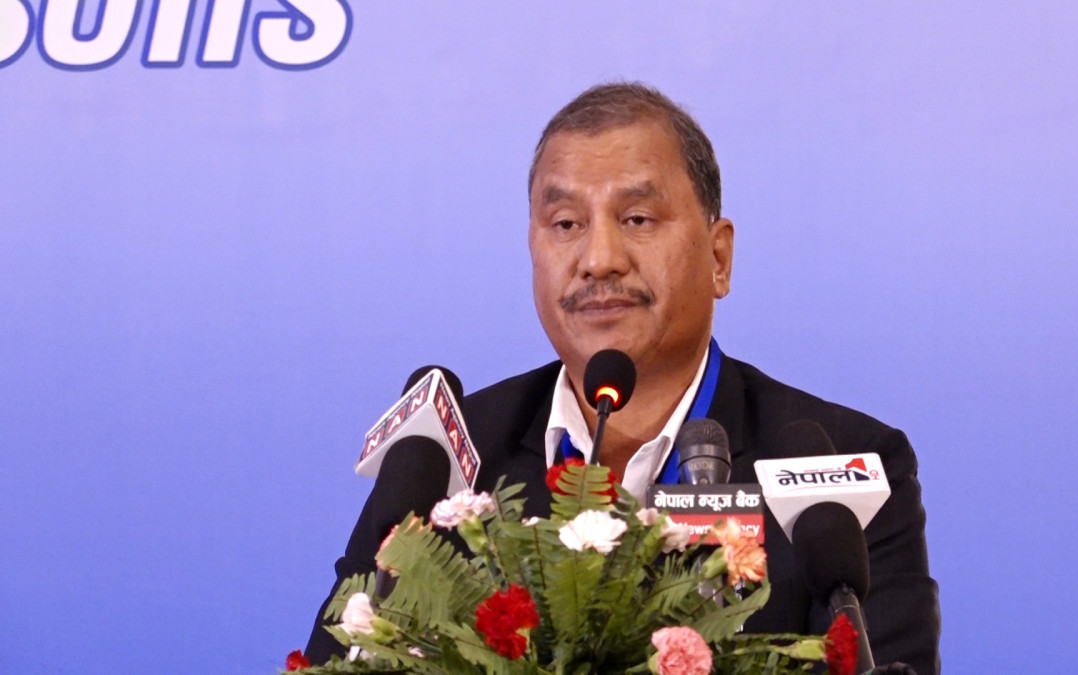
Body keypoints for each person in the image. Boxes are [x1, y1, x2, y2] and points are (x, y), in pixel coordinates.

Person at [305, 82, 941, 672]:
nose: (599, 259)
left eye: (637, 219)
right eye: (566, 224)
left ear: (719, 257)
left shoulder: (846, 465)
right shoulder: (445, 457)